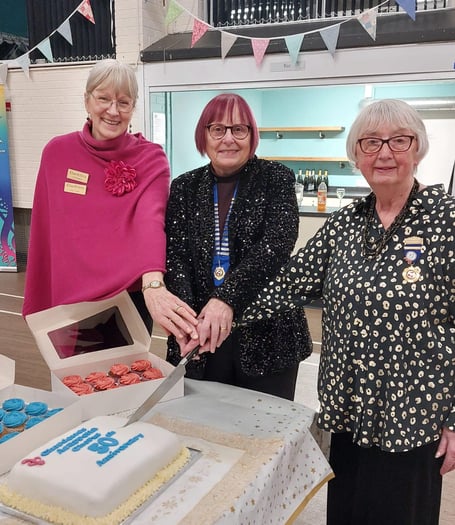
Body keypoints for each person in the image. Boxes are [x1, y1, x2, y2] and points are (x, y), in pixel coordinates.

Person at [242, 98, 455, 524]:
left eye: (399, 140)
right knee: (348, 512)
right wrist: (221, 310)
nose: (384, 153)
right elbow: (289, 283)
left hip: (412, 416)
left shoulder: (446, 220)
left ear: (418, 148)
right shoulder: (345, 224)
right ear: (356, 156)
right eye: (370, 142)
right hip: (346, 410)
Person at [23, 59, 197, 343]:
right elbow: (46, 230)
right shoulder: (57, 153)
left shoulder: (151, 158)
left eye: (124, 102)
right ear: (87, 100)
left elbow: (150, 222)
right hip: (70, 301)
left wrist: (154, 283)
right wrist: (42, 293)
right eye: (104, 98)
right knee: (70, 382)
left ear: (133, 108)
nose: (113, 111)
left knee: (125, 381)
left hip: (126, 301)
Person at [164, 93, 312, 400]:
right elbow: (176, 258)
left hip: (268, 335)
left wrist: (225, 299)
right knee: (203, 426)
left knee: (264, 434)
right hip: (204, 334)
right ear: (203, 136)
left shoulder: (276, 178)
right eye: (218, 129)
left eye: (238, 129)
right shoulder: (183, 187)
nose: (228, 138)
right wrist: (187, 325)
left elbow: (276, 246)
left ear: (251, 136)